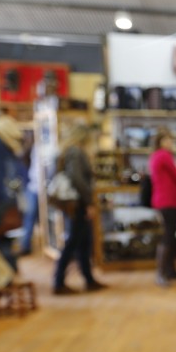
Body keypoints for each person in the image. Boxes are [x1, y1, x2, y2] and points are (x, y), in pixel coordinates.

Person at [52, 123, 106, 295]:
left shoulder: (70, 151)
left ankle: (88, 278)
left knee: (83, 242)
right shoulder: (75, 152)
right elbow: (77, 178)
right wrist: (89, 202)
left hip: (77, 202)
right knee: (74, 242)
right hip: (78, 203)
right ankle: (59, 281)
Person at [149, 128, 176, 287]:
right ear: (161, 142)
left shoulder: (155, 156)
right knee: (167, 237)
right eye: (168, 140)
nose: (171, 143)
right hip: (168, 201)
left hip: (163, 200)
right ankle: (162, 273)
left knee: (170, 236)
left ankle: (170, 271)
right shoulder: (164, 156)